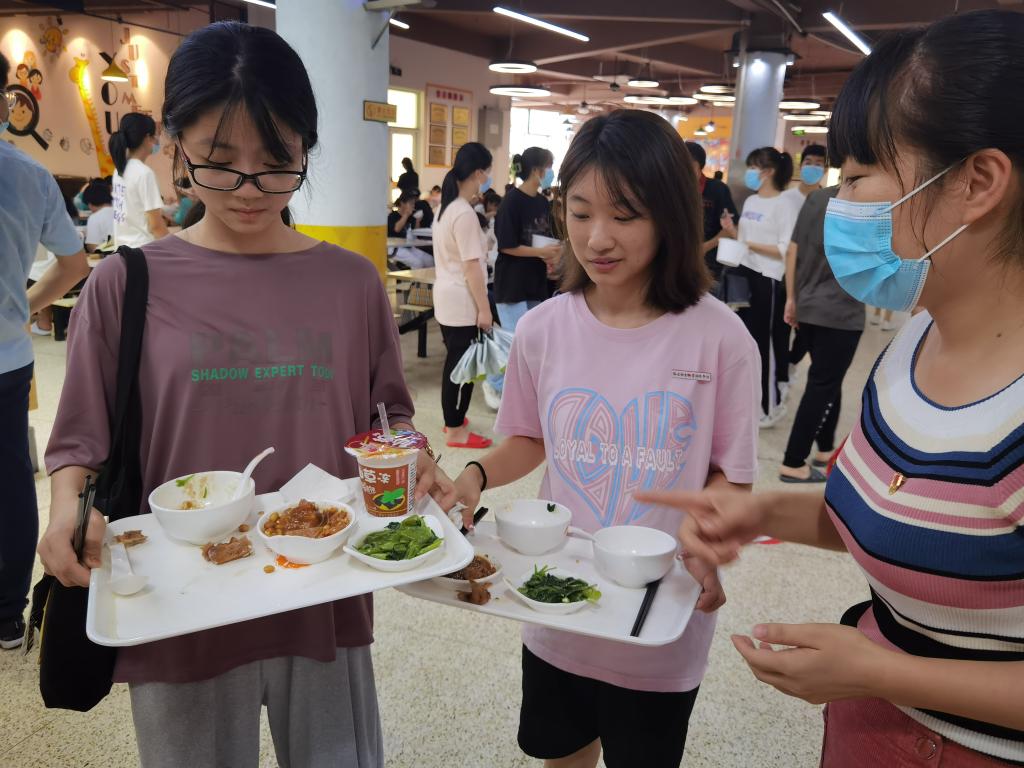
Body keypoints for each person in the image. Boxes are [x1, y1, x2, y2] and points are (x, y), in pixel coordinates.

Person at [38, 21, 453, 765]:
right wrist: (65, 508)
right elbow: (80, 442)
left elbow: (389, 414)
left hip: (322, 591)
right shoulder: (124, 285)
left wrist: (413, 456)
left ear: (307, 150)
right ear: (176, 149)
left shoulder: (349, 283)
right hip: (177, 604)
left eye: (278, 162)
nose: (251, 189)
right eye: (220, 161)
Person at [645, 10, 1024, 766]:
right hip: (870, 725)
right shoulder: (915, 340)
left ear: (977, 183)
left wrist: (882, 672)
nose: (840, 203)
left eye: (856, 177)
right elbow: (902, 514)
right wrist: (762, 511)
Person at [452, 109, 759, 768]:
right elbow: (528, 439)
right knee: (562, 754)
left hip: (660, 610)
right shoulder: (542, 329)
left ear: (670, 216)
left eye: (625, 215)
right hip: (557, 598)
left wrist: (709, 537)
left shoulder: (721, 337)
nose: (597, 238)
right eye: (581, 211)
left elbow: (730, 474)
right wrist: (473, 477)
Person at [0, 52, 90, 649]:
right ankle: (8, 614)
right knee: (10, 478)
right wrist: (22, 307)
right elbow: (75, 265)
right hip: (6, 354)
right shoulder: (27, 174)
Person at [778, 184, 863, 483]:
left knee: (828, 379)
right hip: (841, 311)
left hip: (808, 305)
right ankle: (793, 461)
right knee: (822, 384)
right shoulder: (869, 201)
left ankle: (825, 448)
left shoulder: (817, 197)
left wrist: (792, 298)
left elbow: (793, 249)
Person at [720, 147, 798, 427]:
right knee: (747, 341)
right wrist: (732, 231)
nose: (750, 172)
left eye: (754, 167)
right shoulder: (752, 201)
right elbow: (744, 238)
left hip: (769, 278)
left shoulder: (784, 204)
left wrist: (747, 243)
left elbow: (786, 249)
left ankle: (769, 406)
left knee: (766, 344)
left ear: (769, 172)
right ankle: (750, 401)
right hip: (745, 275)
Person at [482, 146, 560, 410]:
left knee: (534, 340)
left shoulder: (542, 202)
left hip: (535, 282)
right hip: (512, 283)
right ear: (537, 170)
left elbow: (542, 238)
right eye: (549, 167)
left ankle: (525, 391)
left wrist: (550, 255)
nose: (550, 173)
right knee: (515, 341)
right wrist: (540, 252)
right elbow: (507, 245)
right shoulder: (512, 202)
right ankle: (493, 382)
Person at [433, 142, 496, 450]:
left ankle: (454, 419)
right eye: (488, 173)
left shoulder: (445, 209)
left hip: (447, 299)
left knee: (456, 363)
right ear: (479, 173)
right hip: (462, 302)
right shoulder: (464, 213)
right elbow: (472, 268)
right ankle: (455, 429)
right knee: (463, 368)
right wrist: (484, 310)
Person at [685, 141, 738, 297]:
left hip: (710, 266)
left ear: (700, 166)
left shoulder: (717, 190)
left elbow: (730, 228)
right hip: (678, 264)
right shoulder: (673, 190)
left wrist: (704, 247)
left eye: (689, 166)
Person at [110, 112, 170, 247]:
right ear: (147, 138)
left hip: (122, 248)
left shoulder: (118, 170)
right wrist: (176, 249)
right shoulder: (144, 174)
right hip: (142, 248)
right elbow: (156, 226)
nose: (157, 141)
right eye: (156, 135)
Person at [781, 143, 827, 213]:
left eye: (818, 164)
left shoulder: (827, 203)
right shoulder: (784, 197)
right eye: (808, 163)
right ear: (800, 166)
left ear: (826, 169)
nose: (812, 167)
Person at [83, 177, 115, 252]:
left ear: (90, 203)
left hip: (111, 256)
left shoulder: (95, 217)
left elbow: (93, 247)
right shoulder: (122, 211)